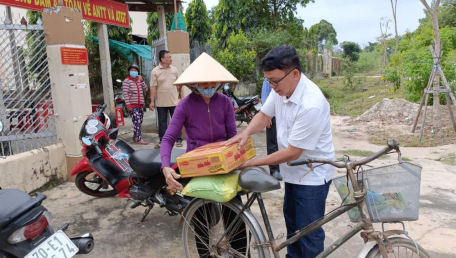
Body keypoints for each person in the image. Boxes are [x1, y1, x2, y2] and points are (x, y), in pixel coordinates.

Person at [226, 46, 335, 258]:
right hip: (293, 173)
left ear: (295, 74)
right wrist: (246, 132)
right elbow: (265, 115)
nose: (272, 86)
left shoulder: (311, 102)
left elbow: (293, 152)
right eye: (268, 81)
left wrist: (252, 162)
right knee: (294, 229)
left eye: (275, 81)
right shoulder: (281, 90)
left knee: (309, 233)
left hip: (312, 176)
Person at [160, 53, 247, 258]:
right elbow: (168, 138)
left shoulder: (225, 103)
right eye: (203, 83)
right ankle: (204, 255)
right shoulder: (185, 105)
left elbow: (232, 136)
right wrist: (165, 166)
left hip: (224, 164)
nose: (208, 86)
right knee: (202, 217)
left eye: (212, 83)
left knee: (235, 214)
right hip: (197, 165)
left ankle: (241, 253)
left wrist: (238, 158)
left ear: (218, 84)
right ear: (194, 84)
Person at [150, 50, 183, 149]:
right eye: (168, 57)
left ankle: (179, 139)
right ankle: (163, 140)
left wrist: (182, 97)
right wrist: (152, 101)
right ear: (162, 59)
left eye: (171, 57)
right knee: (162, 123)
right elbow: (153, 87)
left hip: (174, 101)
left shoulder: (174, 70)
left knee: (176, 121)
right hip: (161, 102)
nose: (171, 59)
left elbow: (179, 85)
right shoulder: (155, 71)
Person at [261, 79, 283, 181]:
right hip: (272, 114)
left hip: (285, 113)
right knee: (272, 142)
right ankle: (274, 170)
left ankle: (284, 167)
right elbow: (265, 97)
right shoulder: (267, 80)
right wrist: (267, 116)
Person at [122, 64, 148, 145]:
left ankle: (135, 137)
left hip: (140, 105)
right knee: (137, 121)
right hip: (132, 105)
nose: (134, 72)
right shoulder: (126, 81)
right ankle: (140, 138)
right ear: (129, 71)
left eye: (135, 70)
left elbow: (145, 89)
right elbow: (125, 94)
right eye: (132, 70)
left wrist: (142, 80)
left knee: (139, 122)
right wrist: (128, 105)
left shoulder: (139, 80)